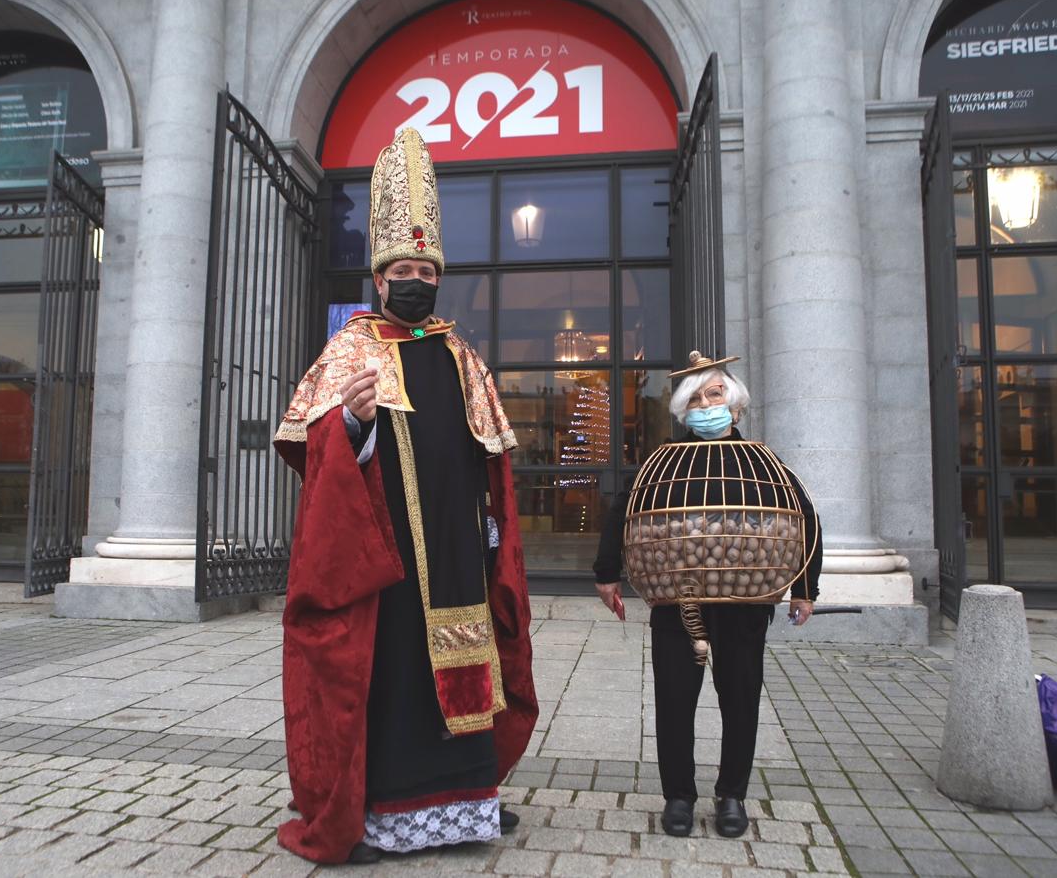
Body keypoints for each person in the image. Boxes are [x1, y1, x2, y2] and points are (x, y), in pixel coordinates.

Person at [273, 128, 538, 865]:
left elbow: (489, 457)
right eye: (402, 269)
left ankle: (466, 803)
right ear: (379, 279)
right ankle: (379, 810)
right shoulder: (350, 349)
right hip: (384, 568)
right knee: (390, 683)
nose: (415, 278)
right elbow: (311, 451)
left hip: (457, 554)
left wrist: (489, 531)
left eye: (427, 267)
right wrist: (352, 422)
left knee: (466, 674)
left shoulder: (461, 353)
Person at [592, 351, 822, 839]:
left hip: (745, 603)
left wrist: (805, 589)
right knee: (675, 700)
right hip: (679, 600)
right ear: (682, 411)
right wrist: (606, 572)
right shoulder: (663, 463)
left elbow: (804, 519)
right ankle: (678, 795)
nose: (705, 405)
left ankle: (732, 794)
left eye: (714, 394)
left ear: (734, 405)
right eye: (694, 398)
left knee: (740, 700)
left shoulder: (765, 464)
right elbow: (623, 511)